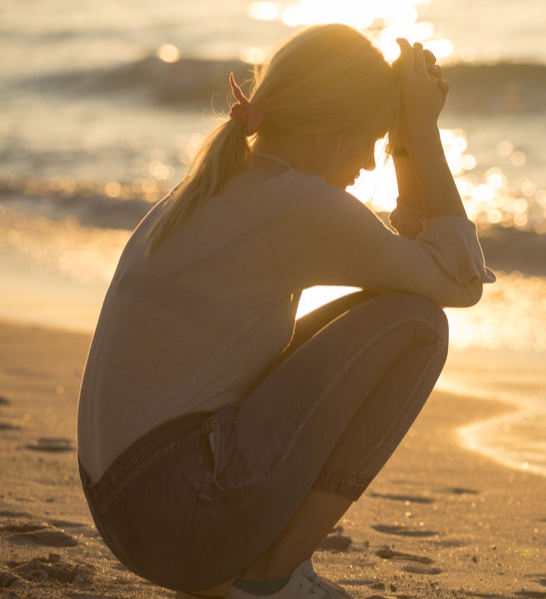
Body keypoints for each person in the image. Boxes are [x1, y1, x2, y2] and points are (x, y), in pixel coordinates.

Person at [76, 24, 493, 599]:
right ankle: (272, 578)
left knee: (393, 308)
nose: (371, 164)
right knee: (418, 326)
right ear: (328, 131)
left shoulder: (216, 185)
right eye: (372, 140)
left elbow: (423, 265)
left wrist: (402, 136)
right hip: (178, 516)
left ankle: (254, 573)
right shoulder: (301, 204)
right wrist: (418, 136)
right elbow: (459, 279)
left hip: (129, 510)